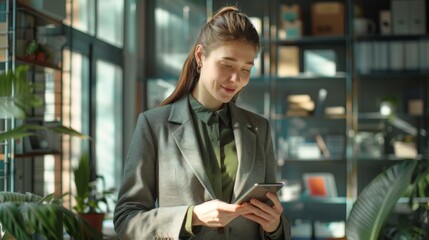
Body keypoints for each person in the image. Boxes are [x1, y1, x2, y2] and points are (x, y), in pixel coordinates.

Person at [114, 6, 291, 240]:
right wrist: (192, 217)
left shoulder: (259, 128)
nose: (236, 79)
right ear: (200, 56)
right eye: (226, 65)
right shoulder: (154, 125)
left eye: (246, 69)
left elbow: (277, 225)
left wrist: (275, 226)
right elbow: (127, 220)